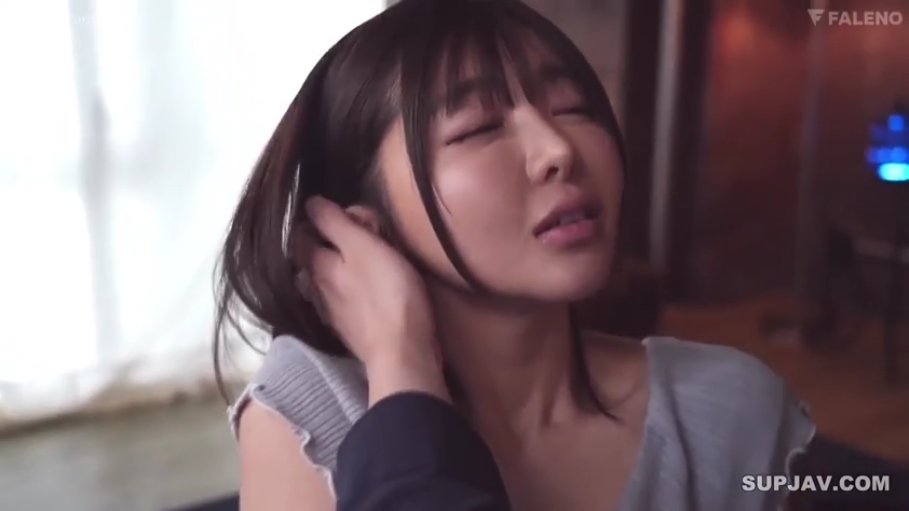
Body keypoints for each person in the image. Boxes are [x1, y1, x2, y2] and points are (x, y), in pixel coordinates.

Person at [216, 0, 818, 510]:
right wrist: (404, 364)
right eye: (478, 127)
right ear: (363, 226)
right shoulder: (313, 411)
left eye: (573, 107)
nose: (558, 150)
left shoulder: (730, 408)